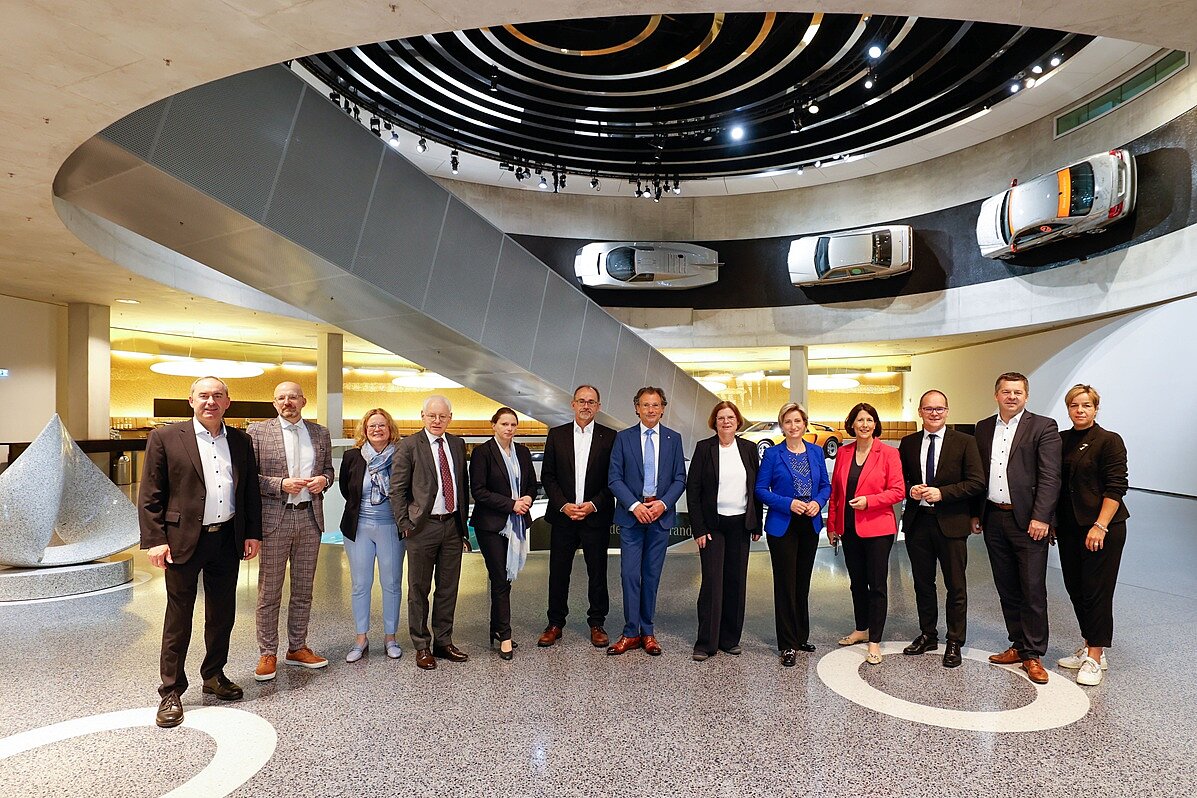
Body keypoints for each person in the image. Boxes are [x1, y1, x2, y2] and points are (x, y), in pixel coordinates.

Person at [139, 376, 262, 729]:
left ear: (228, 402)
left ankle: (214, 674)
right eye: (203, 395)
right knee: (179, 616)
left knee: (222, 612)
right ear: (190, 400)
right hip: (182, 541)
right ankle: (171, 691)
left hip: (227, 539)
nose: (210, 401)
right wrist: (156, 540)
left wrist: (251, 533)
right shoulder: (165, 437)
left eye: (217, 396)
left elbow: (249, 490)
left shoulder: (240, 440)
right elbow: (150, 495)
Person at [971, 372, 1061, 685]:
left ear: (1026, 396)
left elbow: (1051, 477)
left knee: (1032, 589)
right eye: (1006, 391)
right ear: (996, 395)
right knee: (1007, 586)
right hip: (994, 517)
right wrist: (976, 513)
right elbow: (978, 475)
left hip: (1029, 522)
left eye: (1018, 392)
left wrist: (1042, 517)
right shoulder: (983, 428)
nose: (1012, 396)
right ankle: (1018, 644)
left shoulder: (1043, 426)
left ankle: (1033, 654)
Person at [247, 381, 335, 682]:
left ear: (303, 401)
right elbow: (248, 478)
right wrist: (279, 484)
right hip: (275, 519)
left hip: (310, 519)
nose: (288, 402)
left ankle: (297, 647)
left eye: (293, 397)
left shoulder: (320, 433)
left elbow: (329, 471)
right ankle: (267, 652)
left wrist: (324, 480)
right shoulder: (257, 433)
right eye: (282, 398)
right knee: (269, 591)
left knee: (303, 590)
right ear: (274, 403)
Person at [897, 390, 986, 668]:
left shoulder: (965, 442)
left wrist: (942, 493)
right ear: (920, 412)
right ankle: (928, 634)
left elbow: (976, 482)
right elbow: (901, 479)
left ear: (947, 411)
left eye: (939, 409)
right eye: (928, 409)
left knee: (955, 586)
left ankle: (954, 641)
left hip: (951, 524)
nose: (934, 413)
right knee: (923, 583)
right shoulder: (908, 442)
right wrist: (911, 489)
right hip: (917, 523)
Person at [1054, 384, 1129, 686]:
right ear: (1068, 408)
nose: (1080, 410)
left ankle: (1096, 657)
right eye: (1075, 405)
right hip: (1070, 528)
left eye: (1087, 405)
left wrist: (1100, 525)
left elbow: (1116, 486)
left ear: (1096, 409)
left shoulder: (1109, 441)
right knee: (1076, 589)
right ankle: (1089, 644)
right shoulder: (1060, 440)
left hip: (1102, 528)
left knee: (1097, 590)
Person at [391, 395, 471, 671]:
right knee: (418, 589)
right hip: (421, 528)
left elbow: (463, 485)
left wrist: (463, 525)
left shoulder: (458, 445)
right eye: (432, 416)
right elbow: (397, 490)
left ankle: (444, 641)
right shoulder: (409, 445)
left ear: (450, 417)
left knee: (448, 588)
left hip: (452, 525)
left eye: (443, 416)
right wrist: (406, 524)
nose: (437, 421)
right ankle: (422, 645)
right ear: (422, 416)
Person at [607, 386, 687, 656]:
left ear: (663, 408)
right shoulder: (623, 438)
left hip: (660, 517)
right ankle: (630, 632)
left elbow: (679, 478)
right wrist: (635, 505)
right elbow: (614, 478)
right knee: (630, 574)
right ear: (636, 408)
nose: (650, 410)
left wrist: (662, 504)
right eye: (645, 405)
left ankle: (648, 631)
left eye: (655, 405)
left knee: (651, 576)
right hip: (632, 518)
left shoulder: (673, 439)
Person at [538, 385, 616, 649]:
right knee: (559, 572)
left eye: (591, 402)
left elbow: (613, 480)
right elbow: (547, 475)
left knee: (598, 573)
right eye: (581, 401)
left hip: (596, 517)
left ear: (598, 406)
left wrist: (593, 504)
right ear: (572, 404)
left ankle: (597, 623)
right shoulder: (556, 435)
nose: (586, 406)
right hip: (564, 517)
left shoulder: (610, 437)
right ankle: (555, 623)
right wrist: (563, 505)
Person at [827, 403, 905, 665]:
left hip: (878, 529)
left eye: (869, 420)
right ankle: (861, 629)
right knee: (857, 582)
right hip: (849, 528)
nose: (864, 425)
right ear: (852, 423)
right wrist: (833, 526)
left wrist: (869, 501)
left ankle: (875, 641)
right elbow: (836, 493)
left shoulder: (889, 454)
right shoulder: (845, 452)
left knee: (877, 585)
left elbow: (898, 491)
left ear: (875, 424)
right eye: (859, 420)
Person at [685, 400, 762, 662]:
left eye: (730, 417)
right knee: (712, 584)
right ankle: (706, 642)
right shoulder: (704, 448)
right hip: (713, 527)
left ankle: (730, 639)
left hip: (741, 525)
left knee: (736, 583)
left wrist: (756, 523)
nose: (726, 422)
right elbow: (693, 491)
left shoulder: (749, 449)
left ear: (737, 421)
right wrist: (698, 528)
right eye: (721, 418)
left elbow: (756, 488)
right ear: (714, 422)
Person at [755, 403, 830, 667]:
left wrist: (818, 502)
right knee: (785, 584)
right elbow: (761, 490)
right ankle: (787, 643)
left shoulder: (816, 452)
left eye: (797, 421)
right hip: (782, 525)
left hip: (809, 523)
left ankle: (800, 636)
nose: (793, 426)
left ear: (804, 423)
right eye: (787, 422)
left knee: (802, 583)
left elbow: (825, 485)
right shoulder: (773, 454)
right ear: (782, 425)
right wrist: (787, 503)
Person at [469, 407, 538, 660]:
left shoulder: (522, 451)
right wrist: (511, 504)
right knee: (500, 577)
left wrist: (528, 497)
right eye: (504, 424)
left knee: (505, 581)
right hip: (491, 525)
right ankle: (505, 635)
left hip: (517, 522)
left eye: (513, 425)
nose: (509, 429)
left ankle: (496, 627)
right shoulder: (482, 453)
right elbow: (479, 491)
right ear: (494, 426)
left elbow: (531, 482)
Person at [338, 408, 405, 663]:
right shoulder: (352, 457)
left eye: (382, 426)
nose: (377, 430)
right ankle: (361, 638)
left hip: (391, 526)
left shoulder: (401, 455)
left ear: (390, 429)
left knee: (391, 583)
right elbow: (347, 490)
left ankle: (390, 637)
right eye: (372, 426)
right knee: (360, 584)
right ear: (364, 430)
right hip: (359, 528)